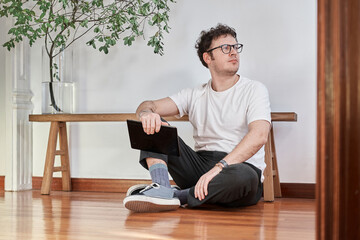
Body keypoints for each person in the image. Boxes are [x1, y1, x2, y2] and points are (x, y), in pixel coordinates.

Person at [123, 24, 271, 212]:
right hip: (199, 166)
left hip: (237, 168)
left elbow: (259, 135)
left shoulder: (254, 89)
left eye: (235, 47)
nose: (233, 52)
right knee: (155, 125)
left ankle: (174, 196)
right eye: (226, 48)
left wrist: (220, 167)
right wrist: (147, 115)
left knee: (244, 176)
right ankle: (161, 187)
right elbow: (147, 105)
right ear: (207, 57)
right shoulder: (194, 94)